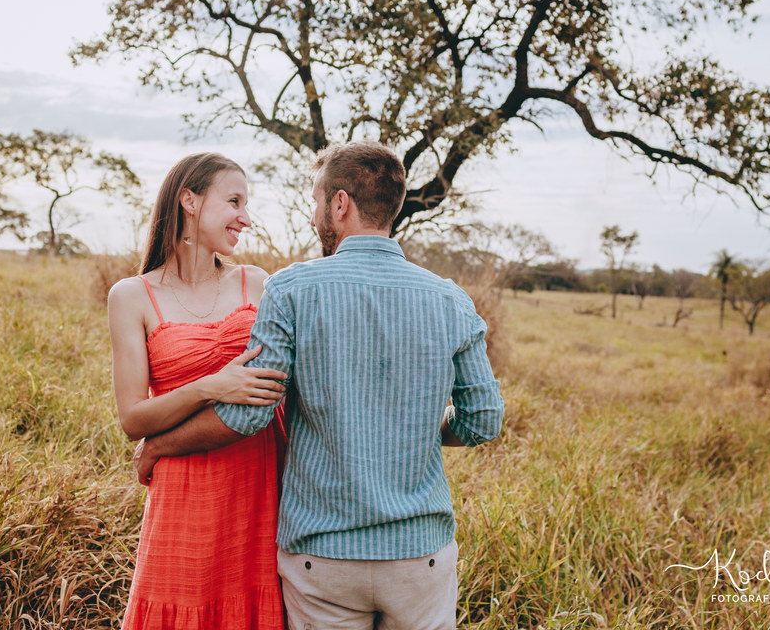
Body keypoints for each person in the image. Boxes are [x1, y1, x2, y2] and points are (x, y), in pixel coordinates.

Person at [134, 140, 505, 630]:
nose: (313, 217)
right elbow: (483, 421)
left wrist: (159, 444)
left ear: (340, 204)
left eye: (315, 202)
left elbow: (249, 414)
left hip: (322, 557)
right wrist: (420, 424)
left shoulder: (290, 289)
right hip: (421, 558)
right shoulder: (451, 299)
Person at [108, 152, 289, 629]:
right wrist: (211, 385)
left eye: (246, 204)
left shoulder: (257, 283)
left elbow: (280, 391)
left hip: (257, 488)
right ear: (189, 199)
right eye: (233, 201)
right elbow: (133, 420)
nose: (245, 218)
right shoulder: (132, 295)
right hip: (183, 497)